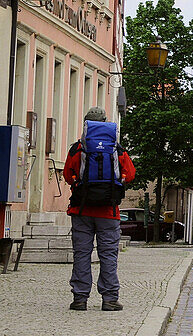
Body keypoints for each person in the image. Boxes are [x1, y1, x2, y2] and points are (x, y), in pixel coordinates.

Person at [62, 106, 136, 312]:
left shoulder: (78, 148)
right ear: (105, 123)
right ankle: (110, 299)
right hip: (108, 211)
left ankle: (80, 299)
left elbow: (68, 175)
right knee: (109, 255)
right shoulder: (116, 149)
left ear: (86, 124)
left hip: (81, 210)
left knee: (82, 254)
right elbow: (130, 174)